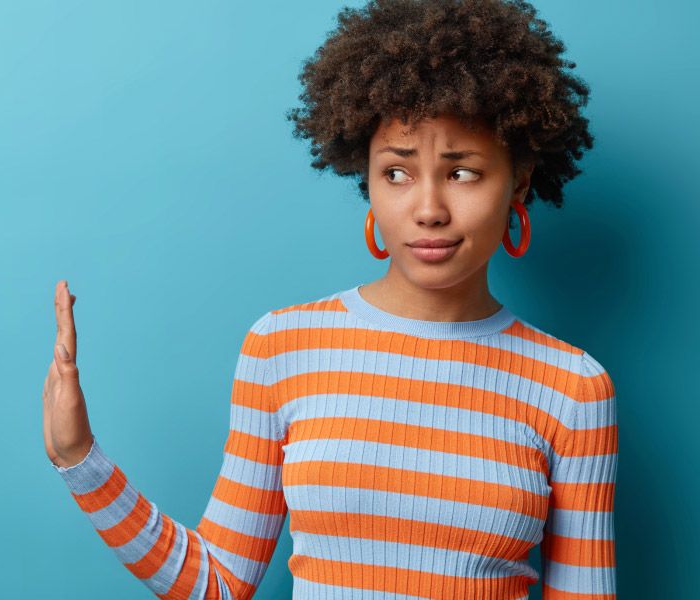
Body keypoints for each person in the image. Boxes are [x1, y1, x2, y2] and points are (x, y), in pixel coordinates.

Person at [43, 1, 617, 598]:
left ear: (518, 179)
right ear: (364, 178)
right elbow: (216, 582)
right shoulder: (283, 348)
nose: (427, 209)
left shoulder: (573, 390)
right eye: (396, 172)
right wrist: (79, 458)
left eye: (462, 172)